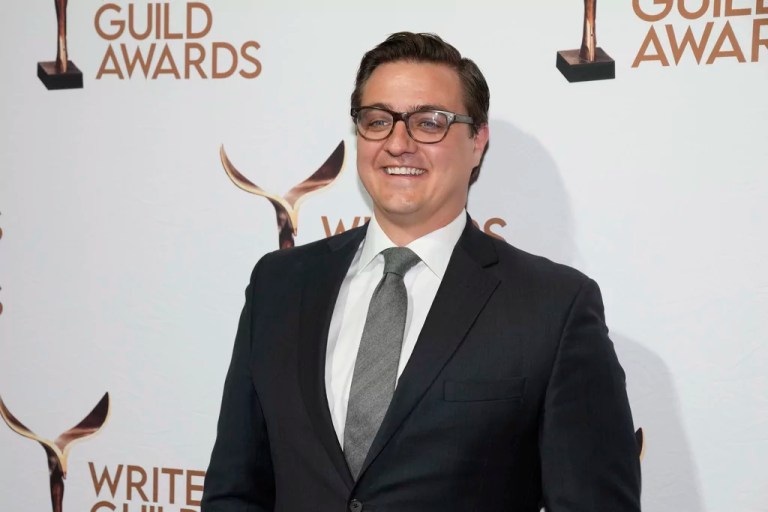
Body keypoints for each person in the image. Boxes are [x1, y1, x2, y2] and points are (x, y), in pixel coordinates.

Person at [201, 32, 641, 512]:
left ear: (477, 142)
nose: (398, 143)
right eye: (377, 120)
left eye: (429, 122)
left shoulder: (554, 307)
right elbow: (235, 490)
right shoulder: (279, 285)